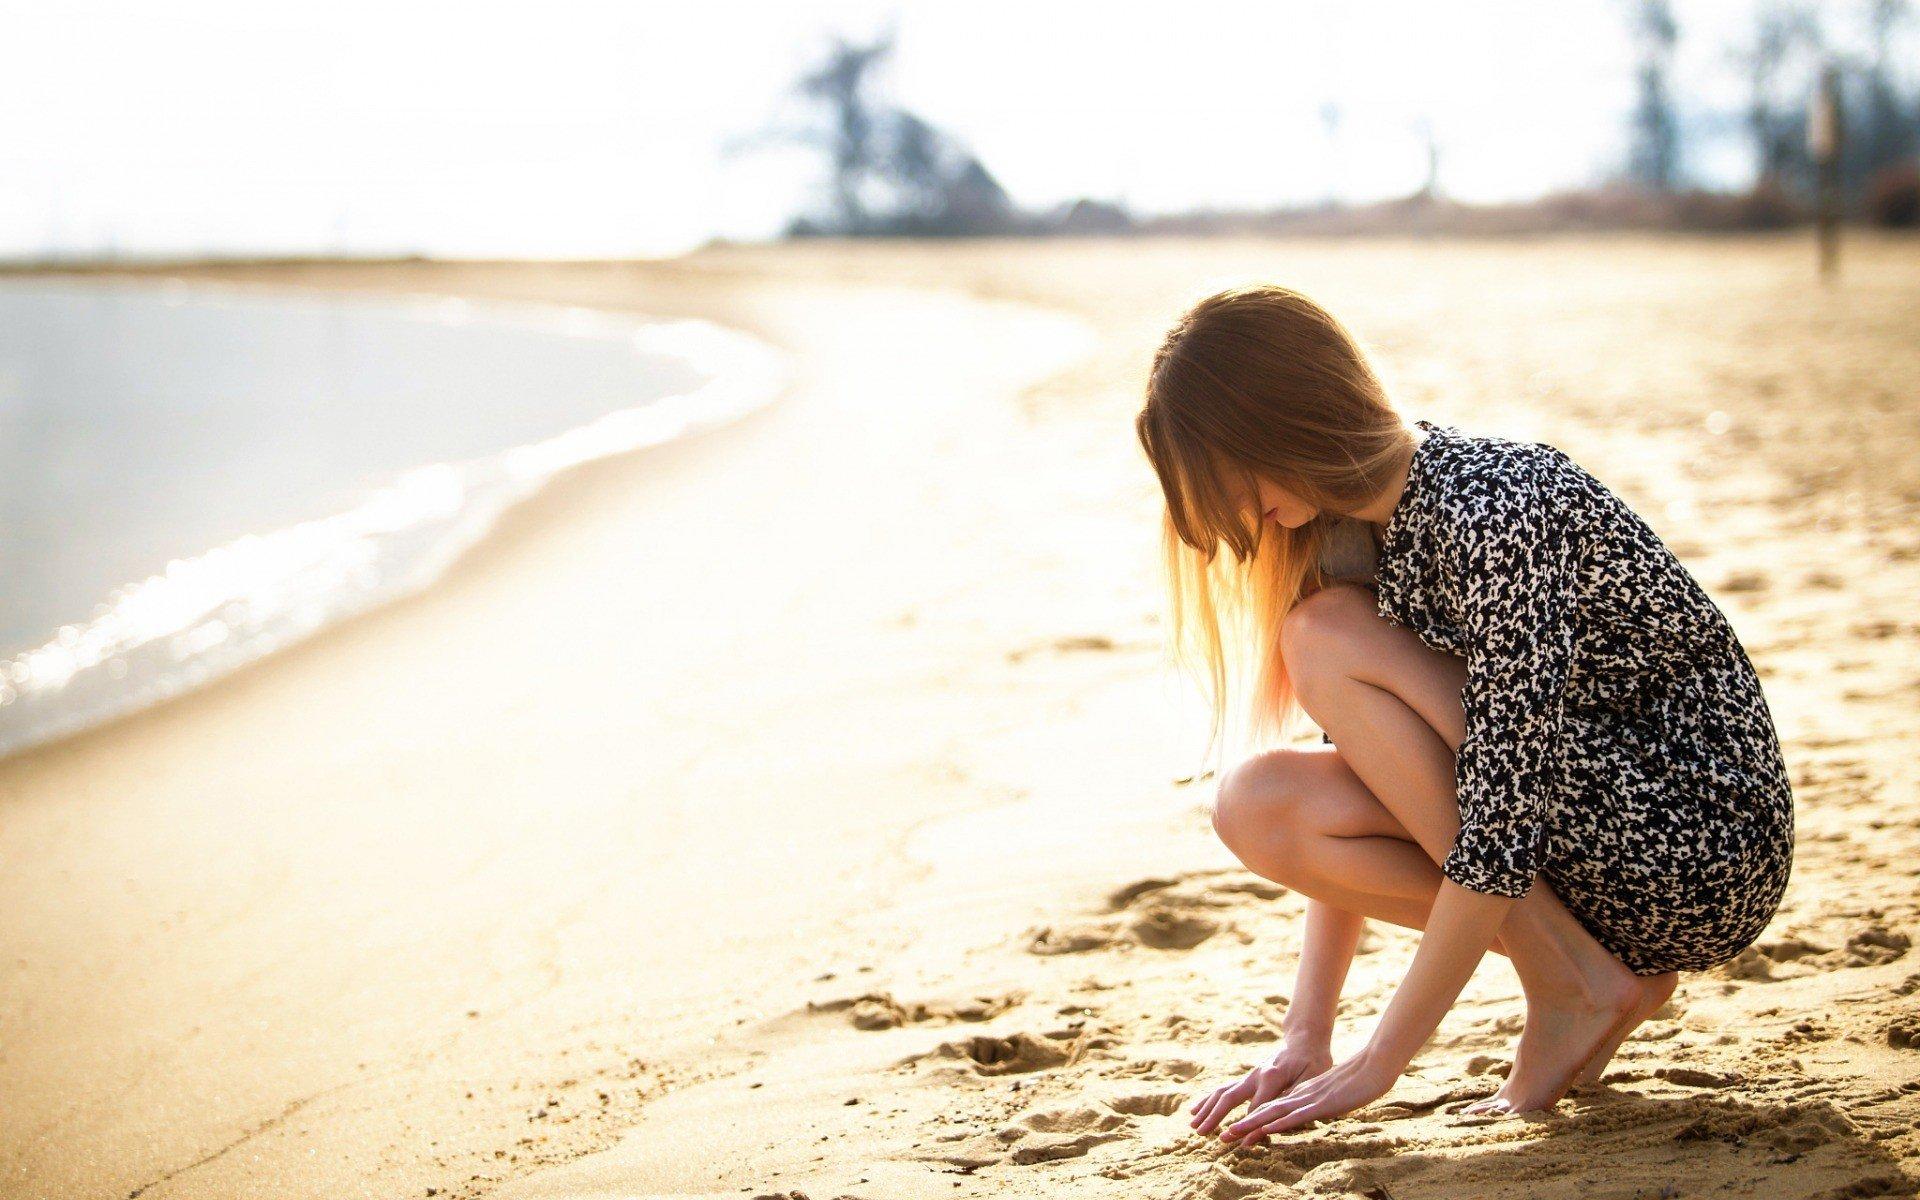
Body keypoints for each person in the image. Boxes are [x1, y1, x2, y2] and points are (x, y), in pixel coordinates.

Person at [1133, 284, 1794, 1146]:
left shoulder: (1492, 504)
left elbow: (1504, 811)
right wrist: (1308, 1034)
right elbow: (1401, 778)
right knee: (1259, 806)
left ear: (1282, 424)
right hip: (1587, 824)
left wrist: (1380, 1061)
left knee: (1321, 634)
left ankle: (1573, 984)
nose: (1241, 521)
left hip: (1696, 834)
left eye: (1231, 482)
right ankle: (1580, 971)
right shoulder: (1355, 536)